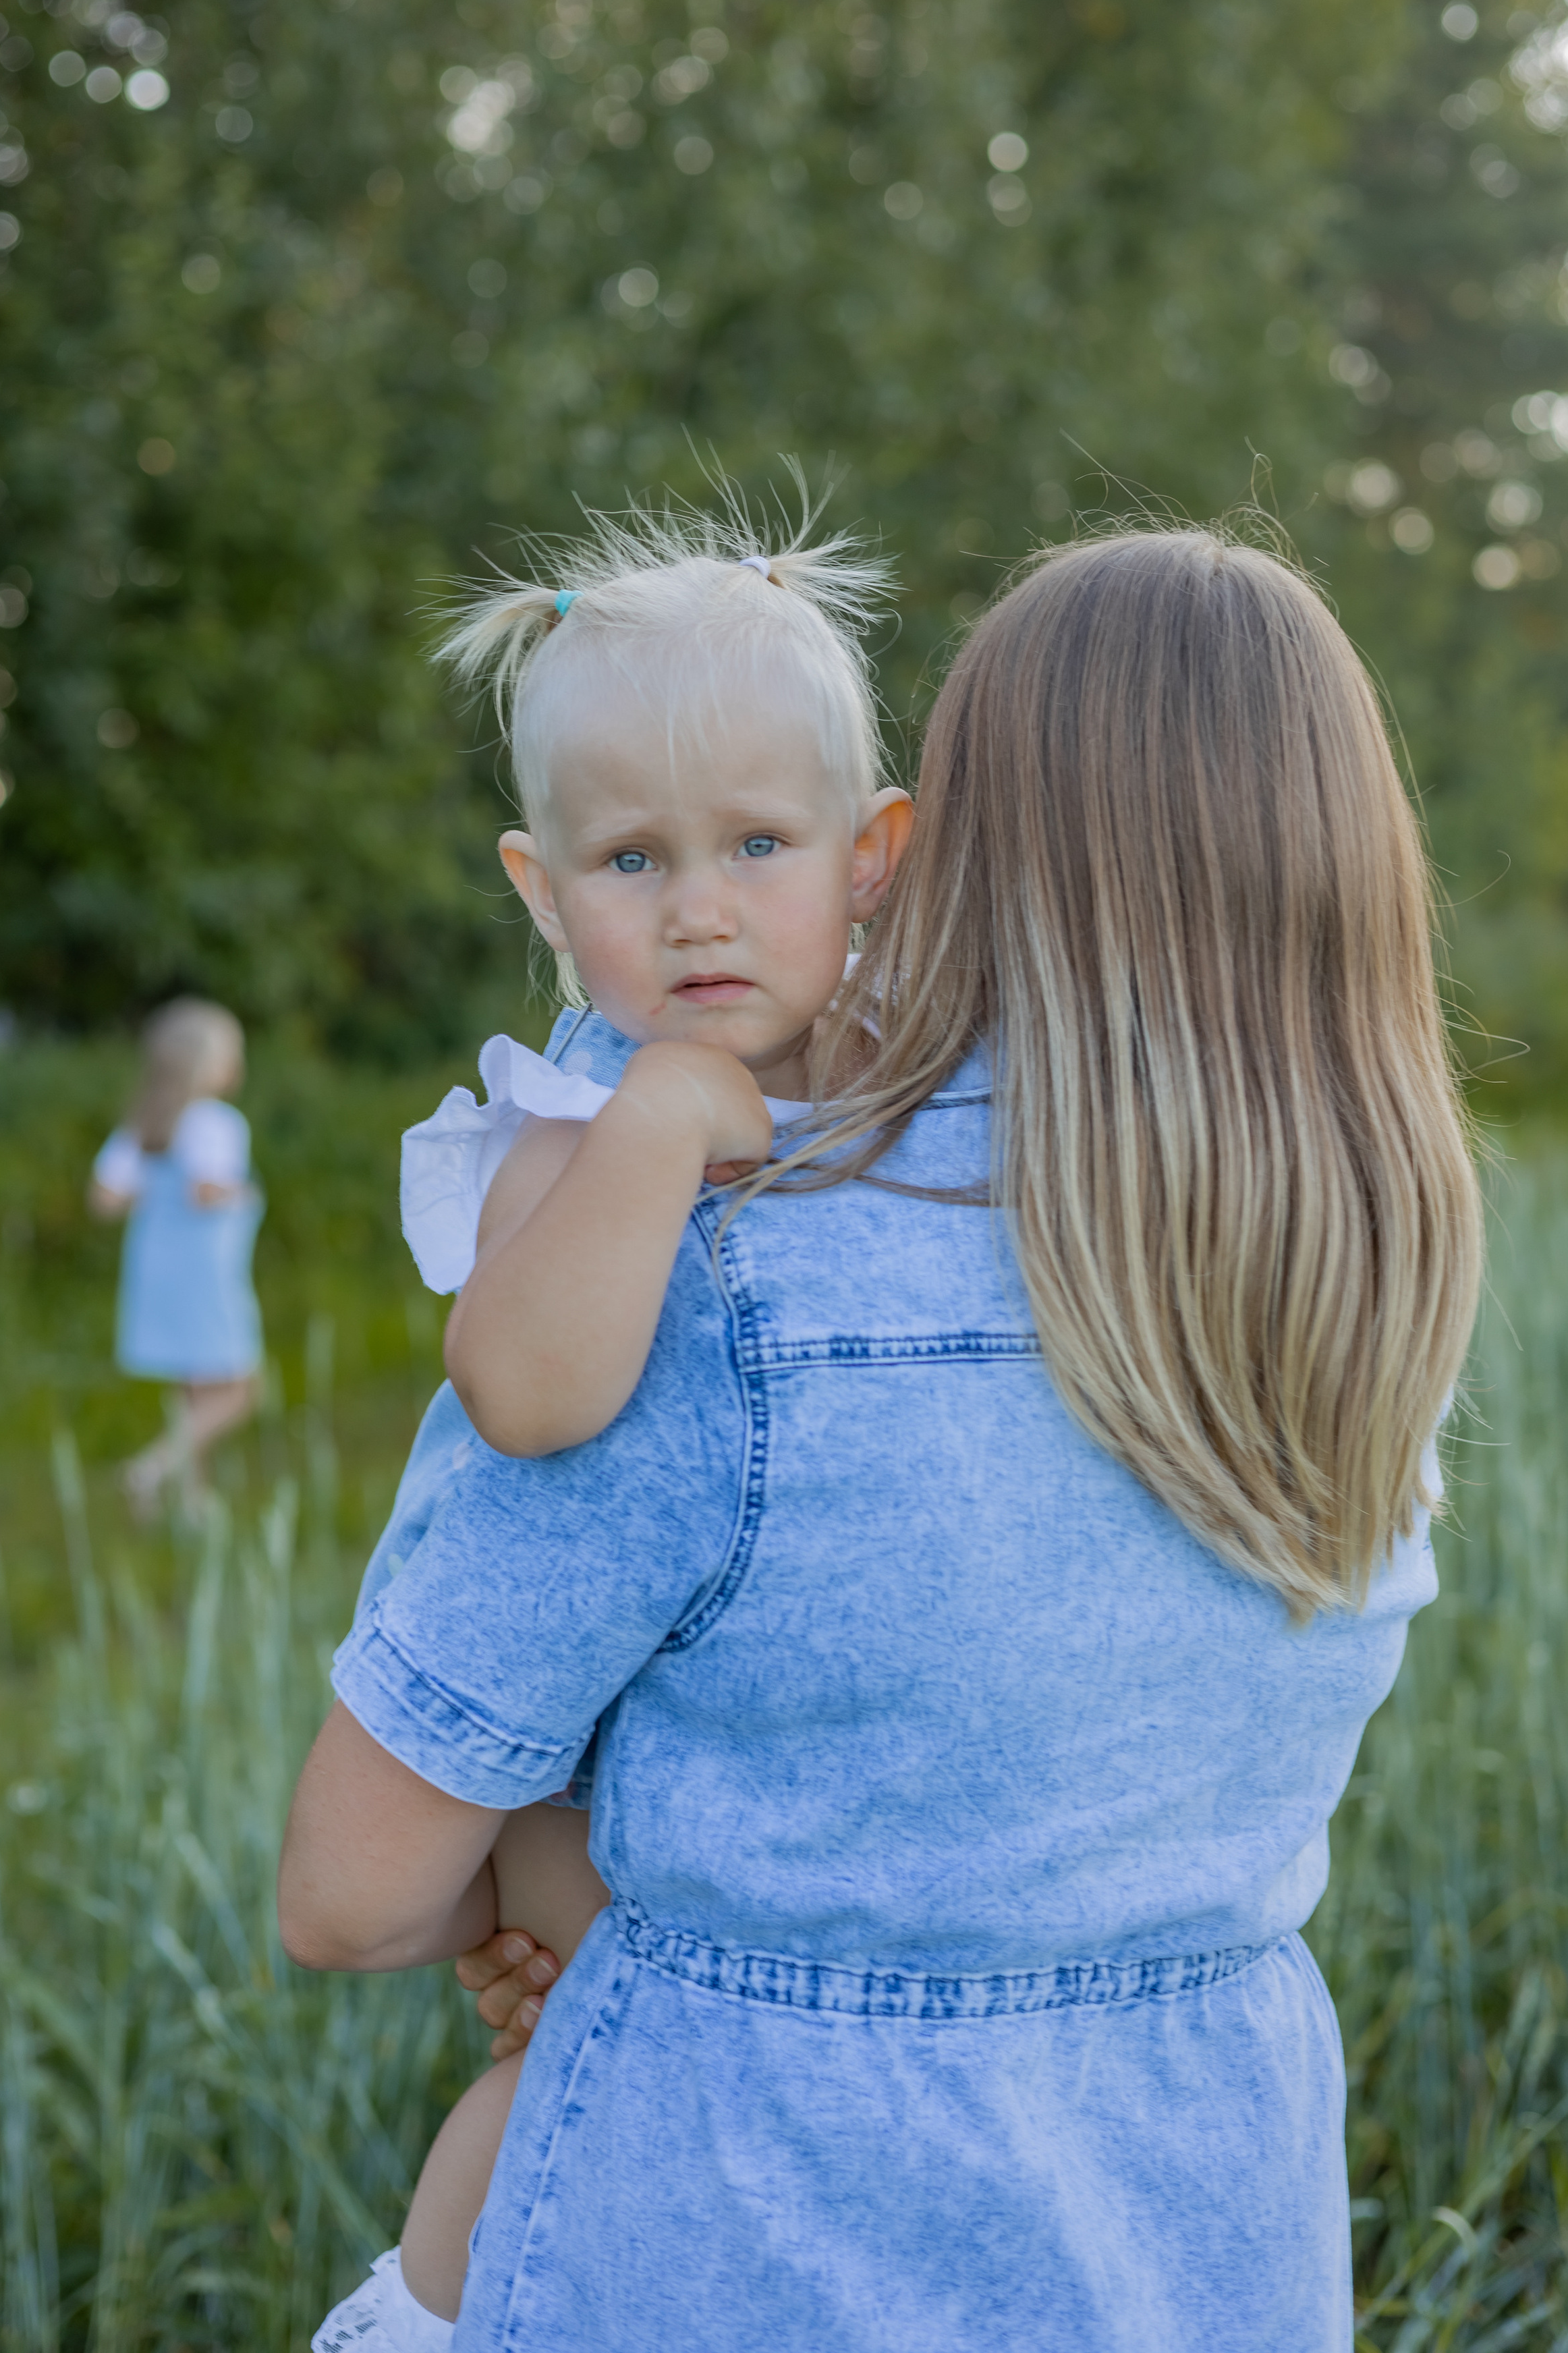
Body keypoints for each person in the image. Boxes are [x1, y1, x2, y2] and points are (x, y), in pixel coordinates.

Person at [282, 528, 1484, 2353]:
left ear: (929, 847)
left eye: (759, 841)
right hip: (1205, 2257)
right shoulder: (1365, 1314)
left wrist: (576, 1898)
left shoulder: (728, 1256)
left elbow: (352, 1895)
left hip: (751, 2244)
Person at [312, 503, 914, 2348]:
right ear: (541, 892)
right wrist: (657, 1126)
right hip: (543, 1712)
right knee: (583, 2039)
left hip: (739, 1687)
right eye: (632, 859)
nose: (701, 907)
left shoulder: (912, 1078)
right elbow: (530, 1391)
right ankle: (428, 2314)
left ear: (874, 858)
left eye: (756, 844)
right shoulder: (562, 1125)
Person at [88, 996, 264, 1515]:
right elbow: (207, 1192)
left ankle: (191, 1499)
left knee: (194, 1388)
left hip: (156, 1272)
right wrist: (243, 1193)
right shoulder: (217, 1122)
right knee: (240, 1389)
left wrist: (149, 1189)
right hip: (208, 1276)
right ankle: (152, 1469)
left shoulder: (144, 1126)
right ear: (207, 1068)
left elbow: (104, 1199)